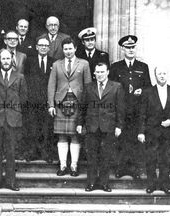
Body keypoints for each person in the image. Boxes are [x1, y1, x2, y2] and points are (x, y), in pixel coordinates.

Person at [76, 62, 125, 192]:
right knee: (91, 156)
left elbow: (120, 109)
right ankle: (91, 183)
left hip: (109, 126)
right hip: (92, 126)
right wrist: (80, 124)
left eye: (102, 72)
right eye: (97, 72)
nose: (99, 75)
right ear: (94, 73)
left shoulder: (116, 87)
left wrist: (119, 126)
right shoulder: (88, 87)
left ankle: (104, 183)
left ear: (108, 72)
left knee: (106, 156)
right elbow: (82, 107)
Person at [47, 37, 91, 177]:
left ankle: (74, 167)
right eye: (65, 49)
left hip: (77, 103)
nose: (68, 51)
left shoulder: (84, 64)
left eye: (70, 48)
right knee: (62, 136)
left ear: (75, 48)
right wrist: (51, 105)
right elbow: (51, 86)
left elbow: (88, 86)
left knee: (75, 136)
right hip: (60, 102)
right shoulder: (56, 64)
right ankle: (63, 166)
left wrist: (86, 108)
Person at [109, 35, 151, 179]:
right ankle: (120, 168)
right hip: (121, 110)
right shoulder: (115, 67)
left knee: (134, 139)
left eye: (133, 47)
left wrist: (143, 91)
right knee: (120, 139)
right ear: (123, 49)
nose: (131, 50)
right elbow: (111, 88)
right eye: (128, 47)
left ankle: (134, 169)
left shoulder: (142, 67)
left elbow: (149, 88)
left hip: (137, 110)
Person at [0, 49, 27, 191]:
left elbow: (23, 98)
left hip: (12, 119)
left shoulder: (20, 77)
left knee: (11, 152)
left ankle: (11, 182)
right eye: (3, 59)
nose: (5, 61)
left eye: (8, 59)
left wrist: (14, 112)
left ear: (12, 60)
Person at [137, 65, 170, 195]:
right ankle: (151, 184)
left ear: (167, 75)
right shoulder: (147, 92)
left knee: (166, 158)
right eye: (159, 74)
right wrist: (141, 131)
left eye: (164, 73)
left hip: (168, 131)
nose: (162, 76)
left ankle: (164, 184)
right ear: (155, 76)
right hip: (151, 131)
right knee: (151, 158)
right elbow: (142, 114)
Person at [24, 38, 55, 162]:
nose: (43, 47)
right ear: (36, 47)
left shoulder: (54, 62)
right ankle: (33, 152)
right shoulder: (29, 61)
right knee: (33, 126)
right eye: (41, 45)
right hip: (32, 100)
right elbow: (25, 80)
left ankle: (45, 153)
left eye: (46, 45)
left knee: (46, 127)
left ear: (49, 48)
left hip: (47, 100)